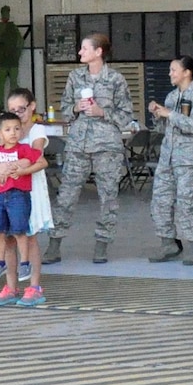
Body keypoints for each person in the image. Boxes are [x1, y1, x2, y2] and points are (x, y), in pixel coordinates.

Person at [54, 32, 135, 265]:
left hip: (107, 148)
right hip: (78, 146)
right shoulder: (74, 77)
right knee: (66, 196)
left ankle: (102, 244)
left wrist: (103, 112)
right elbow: (65, 108)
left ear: (99, 52)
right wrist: (76, 108)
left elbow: (126, 114)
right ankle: (55, 242)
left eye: (84, 48)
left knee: (108, 198)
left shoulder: (116, 80)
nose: (80, 52)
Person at [146, 56, 193, 265]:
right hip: (168, 159)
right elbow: (164, 129)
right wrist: (158, 115)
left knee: (187, 203)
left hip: (190, 161)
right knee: (160, 202)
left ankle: (192, 246)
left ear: (186, 72)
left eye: (174, 70)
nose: (170, 74)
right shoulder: (172, 97)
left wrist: (170, 114)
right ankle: (168, 244)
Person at [0, 112, 50, 306]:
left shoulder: (26, 147)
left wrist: (22, 170)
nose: (13, 132)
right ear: (0, 133)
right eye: (8, 129)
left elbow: (42, 161)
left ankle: (28, 273)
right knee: (2, 234)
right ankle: (8, 281)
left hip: (19, 195)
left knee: (23, 233)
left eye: (17, 129)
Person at [0, 89, 53, 285]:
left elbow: (35, 154)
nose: (16, 114)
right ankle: (10, 286)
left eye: (21, 109)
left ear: (32, 106)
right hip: (6, 188)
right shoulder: (8, 130)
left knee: (28, 235)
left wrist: (9, 165)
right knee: (7, 236)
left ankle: (34, 285)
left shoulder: (36, 130)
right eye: (12, 110)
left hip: (30, 189)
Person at [0, 6, 26, 97]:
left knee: (11, 84)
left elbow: (21, 41)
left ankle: (13, 104)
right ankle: (1, 105)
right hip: (4, 58)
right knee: (3, 84)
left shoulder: (12, 27)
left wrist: (17, 53)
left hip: (11, 58)